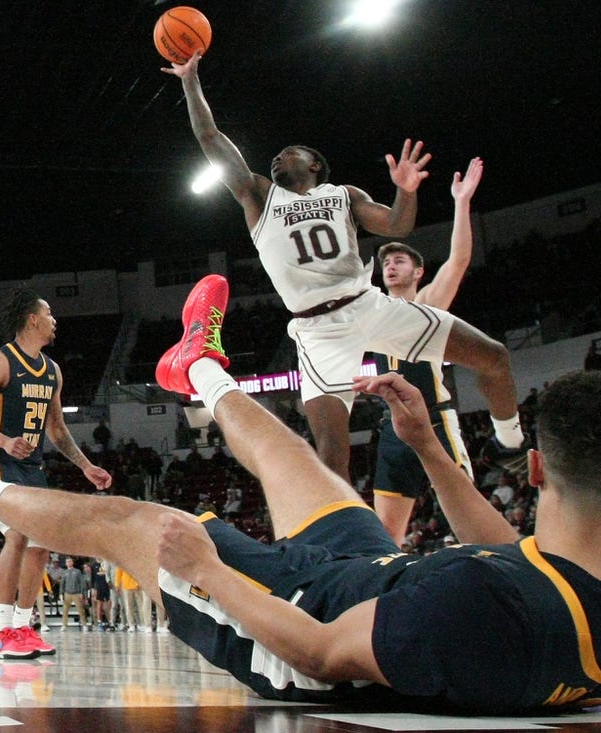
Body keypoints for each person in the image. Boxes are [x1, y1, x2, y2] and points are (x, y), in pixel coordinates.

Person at [0, 275, 601, 712]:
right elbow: (505, 551)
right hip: (395, 584)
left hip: (308, 621)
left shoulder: (481, 616)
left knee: (134, 522)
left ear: (539, 470)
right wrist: (426, 448)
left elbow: (319, 653)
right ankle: (198, 365)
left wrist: (208, 572)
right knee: (292, 458)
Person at [163, 52, 527, 483]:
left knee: (494, 357)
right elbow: (209, 137)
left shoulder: (344, 195)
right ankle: (335, 545)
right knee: (332, 455)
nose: (278, 159)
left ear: (315, 164)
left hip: (371, 305)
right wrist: (190, 79)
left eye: (289, 153)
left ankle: (511, 445)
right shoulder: (259, 196)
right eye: (276, 157)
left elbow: (397, 225)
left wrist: (406, 191)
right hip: (318, 330)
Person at [0, 289, 111, 659]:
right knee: (18, 532)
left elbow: (57, 429)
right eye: (49, 313)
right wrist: (5, 441)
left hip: (32, 466)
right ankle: (0, 633)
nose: (54, 319)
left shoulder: (52, 371)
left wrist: (85, 465)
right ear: (32, 319)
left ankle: (24, 627)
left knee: (41, 543)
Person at [370, 157, 482, 545]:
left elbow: (459, 260)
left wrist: (462, 203)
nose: (391, 266)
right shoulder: (372, 311)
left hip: (434, 419)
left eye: (399, 260)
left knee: (468, 517)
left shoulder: (429, 302)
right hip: (393, 425)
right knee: (385, 535)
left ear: (418, 272)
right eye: (386, 261)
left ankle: (496, 583)